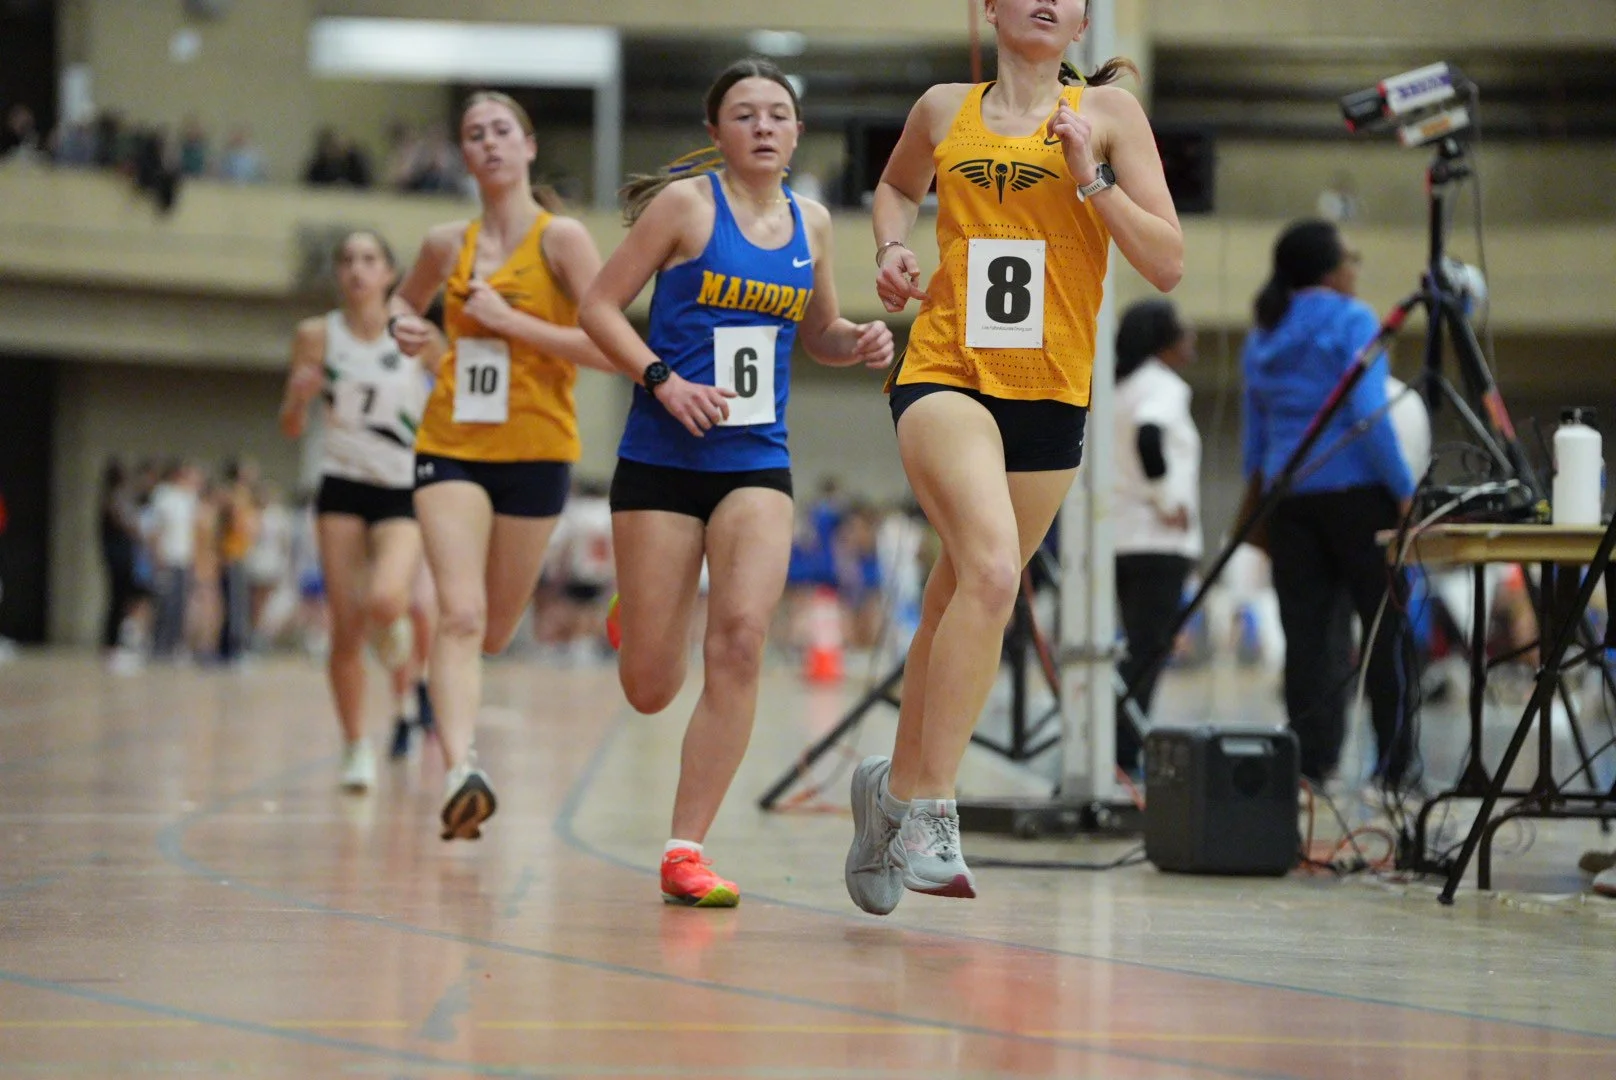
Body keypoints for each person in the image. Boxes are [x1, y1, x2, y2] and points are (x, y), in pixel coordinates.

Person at [845, 0, 1183, 914]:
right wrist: (891, 247)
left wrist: (1091, 180)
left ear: (1081, 22)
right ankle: (932, 809)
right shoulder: (941, 107)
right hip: (946, 370)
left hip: (1051, 393)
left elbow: (1166, 262)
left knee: (959, 596)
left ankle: (888, 799)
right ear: (989, 8)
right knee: (994, 574)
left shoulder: (1109, 117)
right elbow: (893, 188)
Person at [579, 58, 894, 906]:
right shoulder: (686, 207)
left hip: (755, 459)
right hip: (661, 457)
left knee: (742, 639)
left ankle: (686, 848)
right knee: (651, 687)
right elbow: (598, 307)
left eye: (777, 114)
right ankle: (641, 613)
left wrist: (857, 340)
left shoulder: (813, 222)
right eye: (745, 113)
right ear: (716, 132)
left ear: (797, 133)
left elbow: (819, 332)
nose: (763, 126)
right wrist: (663, 382)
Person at [389, 91, 614, 839]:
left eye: (501, 130)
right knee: (458, 614)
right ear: (463, 155)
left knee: (490, 629)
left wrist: (510, 322)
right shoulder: (444, 243)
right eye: (474, 133)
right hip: (451, 444)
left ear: (528, 146)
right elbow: (404, 304)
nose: (488, 142)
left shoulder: (562, 239)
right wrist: (407, 329)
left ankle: (456, 728)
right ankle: (460, 769)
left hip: (537, 450)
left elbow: (611, 345)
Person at [1241, 219, 1418, 790]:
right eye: (1350, 258)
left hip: (1289, 502)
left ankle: (1312, 764)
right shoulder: (1354, 319)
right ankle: (1395, 766)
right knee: (1385, 630)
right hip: (1359, 499)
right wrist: (1404, 489)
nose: (1355, 268)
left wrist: (1257, 504)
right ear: (1331, 269)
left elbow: (1254, 437)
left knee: (1307, 638)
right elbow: (1369, 415)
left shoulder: (1264, 330)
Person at [280, 230, 437, 791]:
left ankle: (397, 642)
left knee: (389, 598)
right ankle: (354, 746)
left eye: (369, 259)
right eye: (347, 259)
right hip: (342, 485)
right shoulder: (316, 335)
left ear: (390, 273)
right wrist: (299, 397)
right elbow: (291, 425)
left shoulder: (416, 332)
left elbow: (454, 397)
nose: (356, 269)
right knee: (345, 629)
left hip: (401, 487)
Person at [1111, 299, 1200, 773]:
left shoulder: (1117, 387)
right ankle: (1122, 753)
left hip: (1120, 539)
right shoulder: (1160, 386)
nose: (1192, 337)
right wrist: (1167, 500)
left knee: (1136, 648)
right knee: (1147, 651)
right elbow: (1150, 438)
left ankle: (1117, 747)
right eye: (1183, 328)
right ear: (1162, 338)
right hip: (1156, 541)